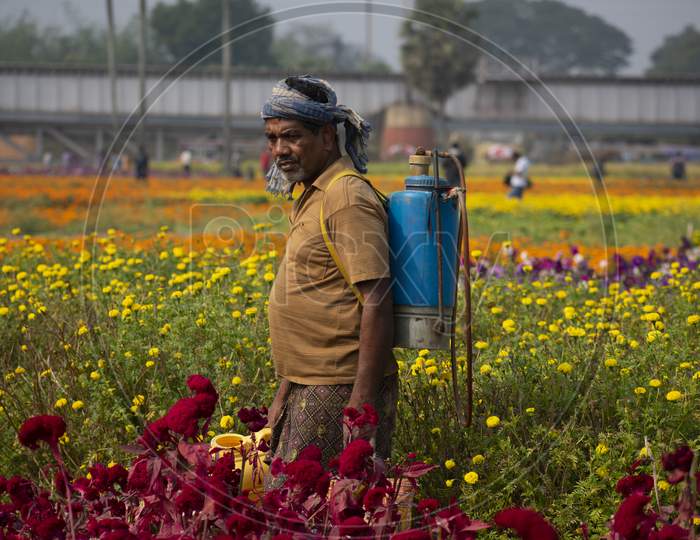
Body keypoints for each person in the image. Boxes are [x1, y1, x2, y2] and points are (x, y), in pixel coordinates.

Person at [262, 76, 397, 469]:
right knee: (296, 505)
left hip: (339, 387)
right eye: (271, 138)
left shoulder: (345, 196)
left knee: (317, 510)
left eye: (291, 136)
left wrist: (361, 403)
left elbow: (377, 299)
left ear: (326, 136)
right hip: (310, 382)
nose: (279, 150)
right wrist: (284, 391)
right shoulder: (312, 192)